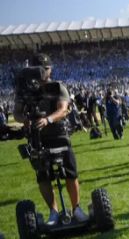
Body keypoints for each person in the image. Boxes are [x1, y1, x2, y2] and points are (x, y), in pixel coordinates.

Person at [13, 53, 88, 225]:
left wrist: (48, 119)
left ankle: (76, 208)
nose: (43, 73)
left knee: (70, 172)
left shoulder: (57, 87)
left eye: (46, 69)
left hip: (59, 134)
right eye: (39, 69)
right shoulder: (24, 90)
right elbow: (17, 112)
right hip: (37, 137)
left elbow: (63, 109)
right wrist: (26, 119)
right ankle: (53, 212)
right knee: (43, 176)